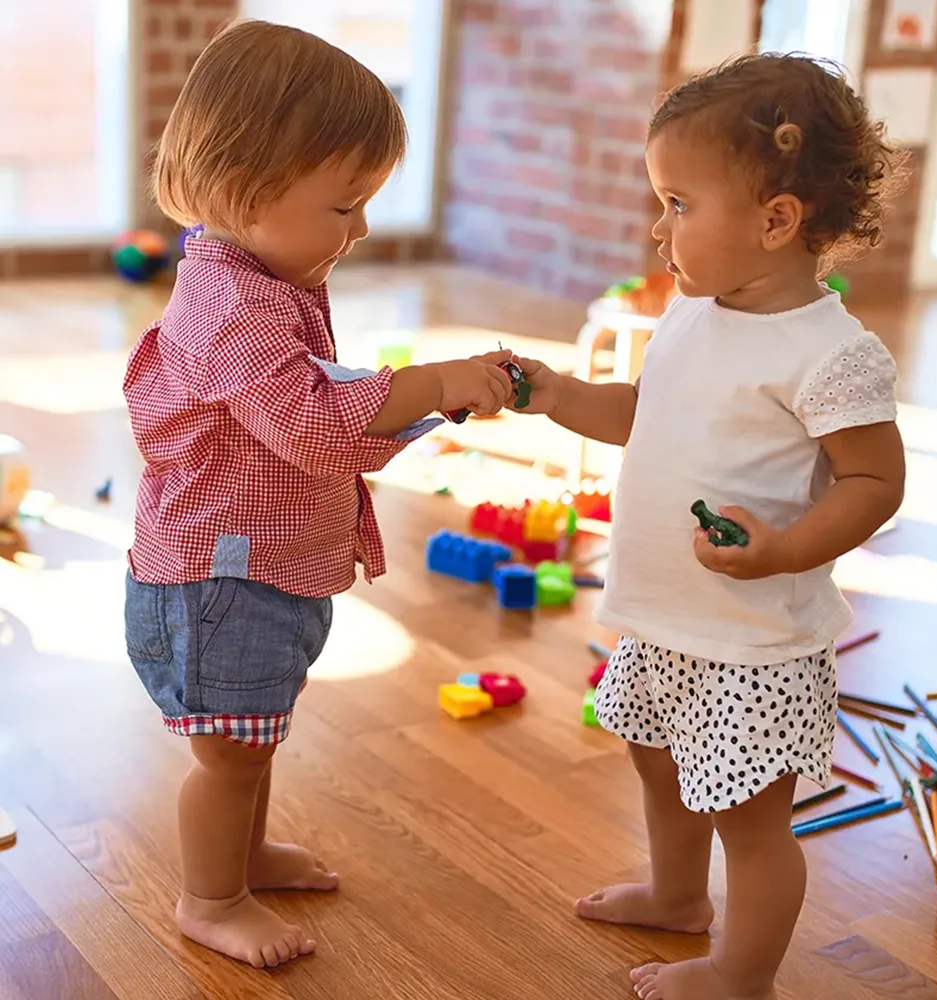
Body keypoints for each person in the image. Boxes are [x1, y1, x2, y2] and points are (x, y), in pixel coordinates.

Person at [509, 53, 906, 1000]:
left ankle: (741, 974)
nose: (660, 228)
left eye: (679, 204)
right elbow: (646, 411)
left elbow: (874, 481)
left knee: (753, 824)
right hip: (665, 618)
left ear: (777, 220)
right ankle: (680, 898)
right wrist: (561, 396)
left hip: (755, 644)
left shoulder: (831, 353)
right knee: (660, 765)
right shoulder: (694, 310)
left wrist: (784, 548)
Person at [123, 19, 512, 970]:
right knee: (229, 751)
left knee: (254, 735)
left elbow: (323, 404)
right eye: (346, 207)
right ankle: (210, 897)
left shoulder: (262, 269)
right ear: (244, 192)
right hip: (219, 586)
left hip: (266, 569)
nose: (363, 229)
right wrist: (432, 380)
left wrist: (431, 403)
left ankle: (244, 857)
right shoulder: (235, 305)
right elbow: (311, 424)